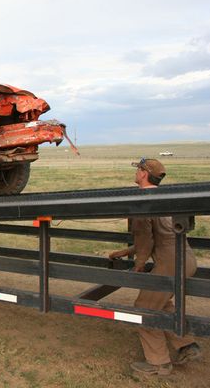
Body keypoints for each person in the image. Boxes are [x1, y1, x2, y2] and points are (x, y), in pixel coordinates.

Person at [109, 158, 201, 375]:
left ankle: (158, 363)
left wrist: (139, 264)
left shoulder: (142, 200)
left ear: (143, 173)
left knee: (145, 309)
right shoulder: (164, 197)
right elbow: (161, 236)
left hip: (170, 261)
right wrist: (126, 252)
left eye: (138, 170)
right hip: (185, 257)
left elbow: (145, 238)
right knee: (160, 303)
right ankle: (186, 345)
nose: (136, 173)